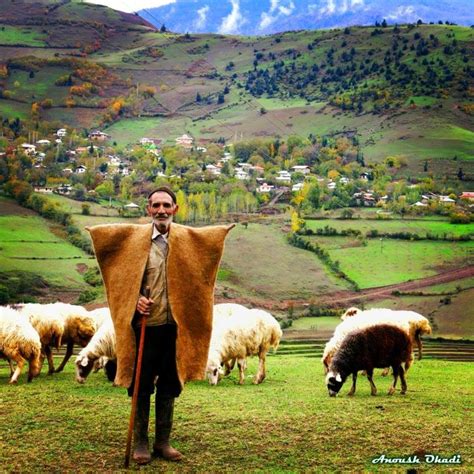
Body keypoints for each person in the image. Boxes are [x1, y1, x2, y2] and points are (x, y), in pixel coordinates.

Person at [88, 186, 234, 466]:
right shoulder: (135, 243)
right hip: (145, 327)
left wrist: (225, 230)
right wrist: (135, 300)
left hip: (174, 329)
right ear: (148, 209)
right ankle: (141, 443)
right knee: (141, 385)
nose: (161, 211)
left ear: (175, 209)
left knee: (170, 384)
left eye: (166, 205)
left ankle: (162, 442)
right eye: (156, 206)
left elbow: (208, 246)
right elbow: (122, 281)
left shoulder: (186, 242)